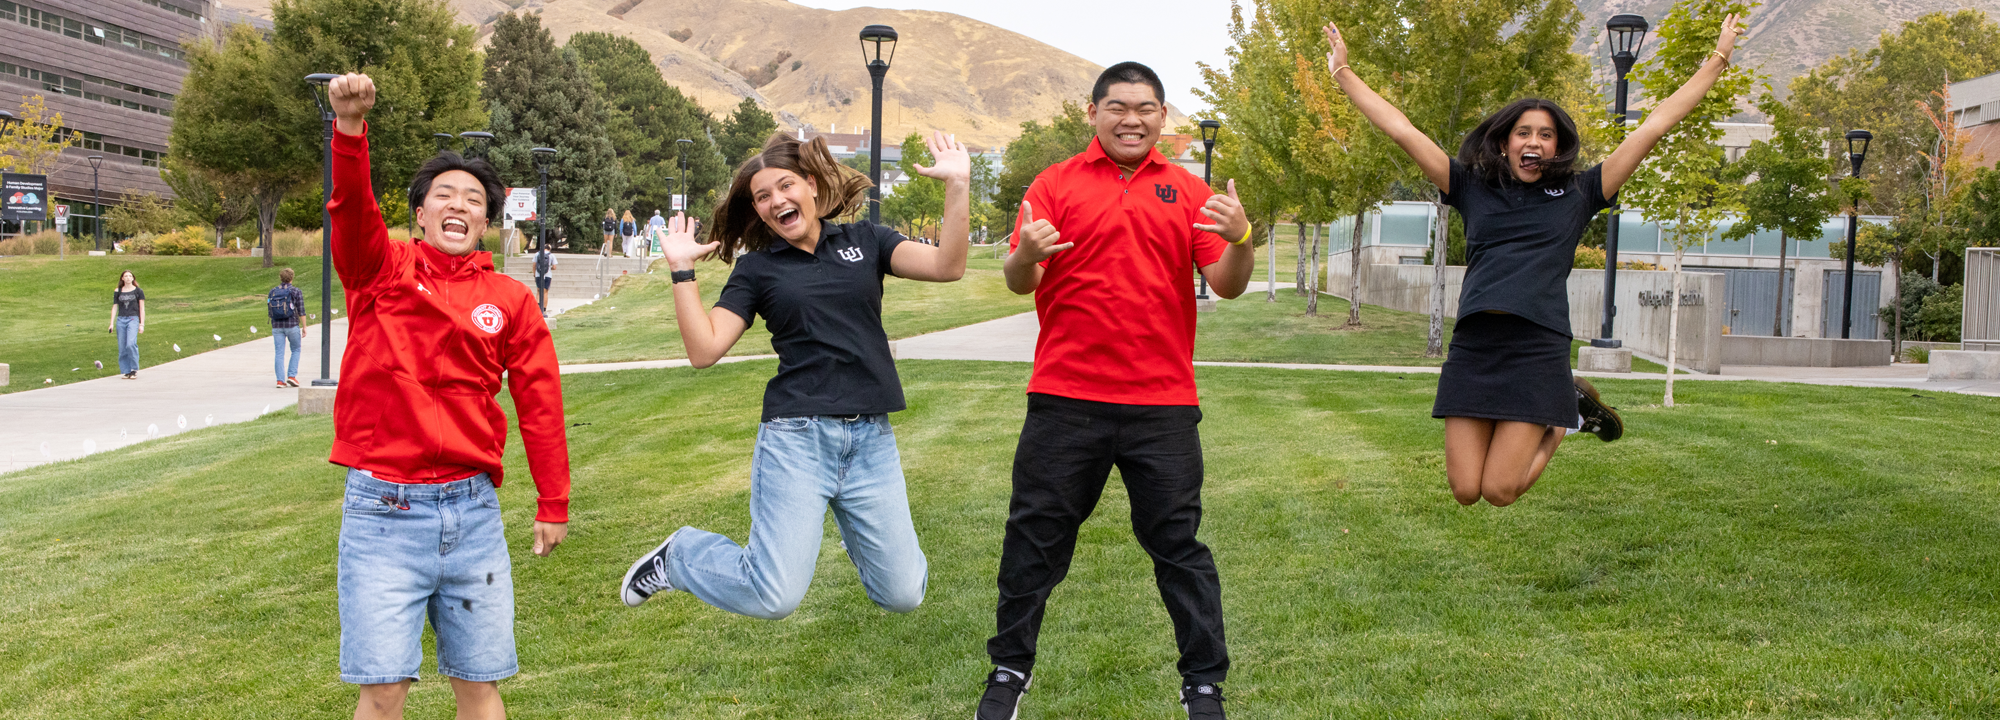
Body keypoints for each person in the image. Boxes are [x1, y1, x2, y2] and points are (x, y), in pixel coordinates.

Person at [1322, 16, 1744, 506]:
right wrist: (1343, 73)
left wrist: (1717, 60)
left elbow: (1654, 126)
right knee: (1464, 491)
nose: (1534, 142)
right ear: (1505, 142)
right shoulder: (1470, 187)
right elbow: (1402, 129)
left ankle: (1570, 416)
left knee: (1500, 491)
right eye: (1523, 132)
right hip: (1476, 345)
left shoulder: (1583, 191)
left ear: (1557, 147)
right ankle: (1570, 405)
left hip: (1536, 346)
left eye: (1545, 135)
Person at [977, 62, 1255, 720]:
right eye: (1118, 106)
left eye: (1146, 107)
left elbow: (1229, 283)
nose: (1132, 118)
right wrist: (1024, 255)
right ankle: (1009, 671)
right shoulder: (1054, 184)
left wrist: (1242, 236)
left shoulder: (1189, 193)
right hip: (1066, 400)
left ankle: (1204, 686)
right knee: (1033, 541)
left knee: (1179, 548)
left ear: (1163, 118)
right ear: (1093, 112)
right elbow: (1022, 279)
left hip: (1162, 406)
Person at [617, 130, 972, 627]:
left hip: (871, 438)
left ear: (810, 184)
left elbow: (948, 265)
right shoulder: (758, 269)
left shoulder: (867, 241)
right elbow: (704, 350)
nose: (775, 201)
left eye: (784, 187)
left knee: (903, 594)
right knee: (774, 596)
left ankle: (860, 538)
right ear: (758, 210)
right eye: (762, 196)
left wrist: (958, 184)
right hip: (797, 439)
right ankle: (679, 556)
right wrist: (681, 270)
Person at [322, 72, 572, 720]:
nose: (458, 205)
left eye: (472, 198)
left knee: (480, 685)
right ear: (421, 212)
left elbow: (540, 400)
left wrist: (553, 501)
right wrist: (349, 131)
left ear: (488, 219)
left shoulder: (511, 301)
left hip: (472, 516)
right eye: (444, 195)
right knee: (382, 691)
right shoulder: (380, 271)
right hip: (382, 512)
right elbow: (351, 212)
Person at [268, 267, 305, 388]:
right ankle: (292, 376)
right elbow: (301, 310)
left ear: (281, 278)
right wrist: (304, 326)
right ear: (292, 278)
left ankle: (280, 380)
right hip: (292, 325)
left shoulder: (272, 291)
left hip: (277, 325)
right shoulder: (295, 291)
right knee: (296, 349)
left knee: (279, 353)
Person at [108, 270, 144, 379]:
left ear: (133, 278)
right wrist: (111, 323)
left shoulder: (138, 291)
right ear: (122, 278)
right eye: (126, 276)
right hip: (121, 319)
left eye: (130, 276)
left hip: (133, 318)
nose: (128, 278)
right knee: (122, 346)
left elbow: (142, 308)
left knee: (130, 344)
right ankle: (126, 370)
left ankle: (134, 369)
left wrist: (142, 324)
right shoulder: (118, 291)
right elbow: (115, 307)